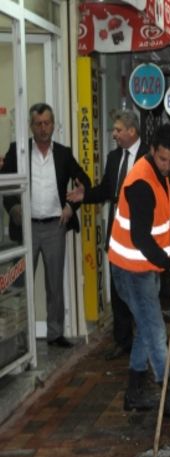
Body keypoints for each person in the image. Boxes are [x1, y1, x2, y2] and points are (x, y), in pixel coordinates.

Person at [108, 124, 170, 417]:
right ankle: (169, 393)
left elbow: (166, 196)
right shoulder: (141, 183)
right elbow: (141, 238)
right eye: (163, 160)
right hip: (131, 270)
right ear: (151, 151)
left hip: (145, 268)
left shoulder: (161, 173)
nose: (168, 166)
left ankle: (134, 392)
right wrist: (169, 262)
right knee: (156, 332)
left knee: (146, 330)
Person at [2, 103, 91, 348]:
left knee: (54, 284)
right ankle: (20, 338)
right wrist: (13, 208)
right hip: (26, 228)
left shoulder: (63, 153)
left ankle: (54, 333)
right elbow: (5, 186)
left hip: (54, 227)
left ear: (53, 125)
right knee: (20, 285)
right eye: (38, 124)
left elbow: (84, 182)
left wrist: (71, 207)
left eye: (47, 123)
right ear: (31, 126)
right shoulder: (17, 151)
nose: (43, 128)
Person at [67, 110, 145, 359]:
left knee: (142, 290)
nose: (114, 134)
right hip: (117, 233)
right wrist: (85, 195)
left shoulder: (149, 157)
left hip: (141, 235)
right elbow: (105, 190)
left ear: (132, 131)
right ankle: (123, 341)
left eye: (118, 130)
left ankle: (145, 339)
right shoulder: (114, 158)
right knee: (118, 287)